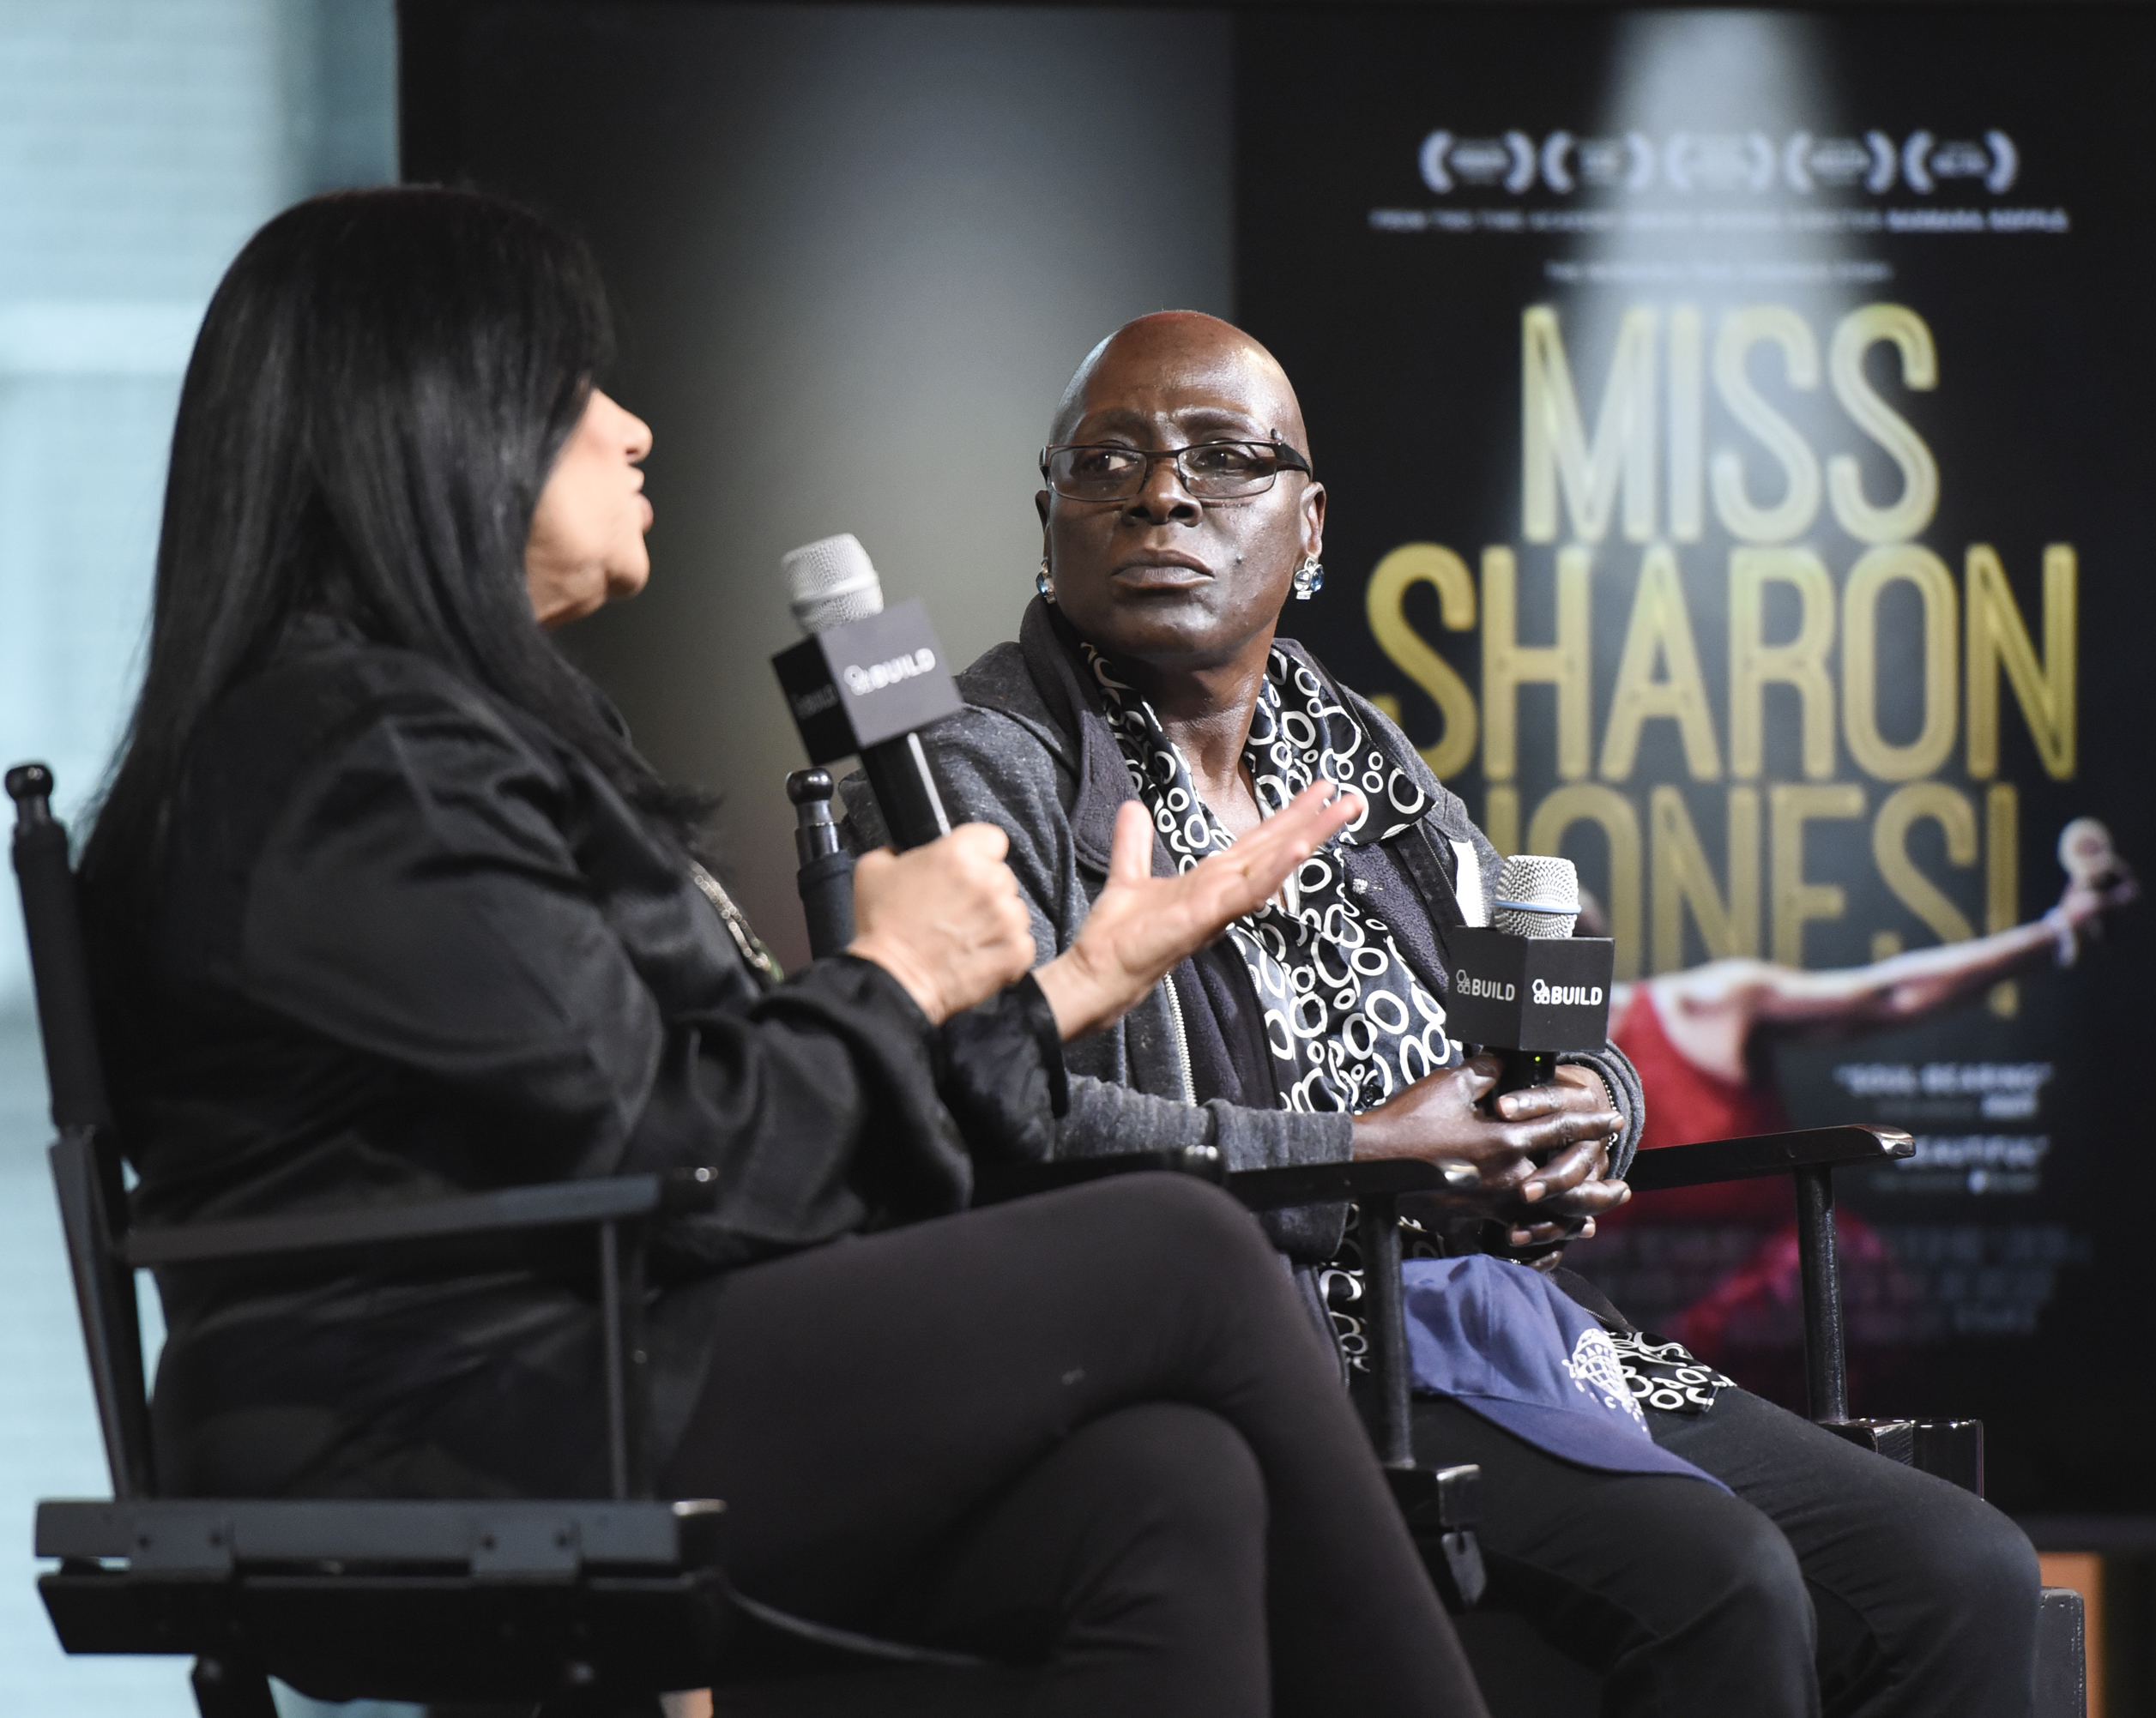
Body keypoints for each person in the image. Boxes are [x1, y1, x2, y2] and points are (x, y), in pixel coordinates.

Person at [74, 190, 1495, 1718]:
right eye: (575, 389)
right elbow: (677, 1147)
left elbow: (661, 1116)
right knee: (1185, 1247)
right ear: (435, 424)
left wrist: (1071, 985)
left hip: (559, 1364)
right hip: (443, 1413)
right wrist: (895, 979)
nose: (633, 429)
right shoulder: (364, 756)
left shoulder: (416, 734)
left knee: (1163, 1481)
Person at [853, 310, 2044, 1718]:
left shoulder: (1350, 747)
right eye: (1107, 460)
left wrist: (1591, 1105)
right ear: (1049, 512)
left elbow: (1540, 1008)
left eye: (1222, 457)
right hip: (1269, 1351)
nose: (1160, 493)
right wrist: (1360, 1150)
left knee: (1962, 1569)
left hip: (1495, 1315)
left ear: (1309, 527)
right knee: (1720, 1575)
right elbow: (985, 1120)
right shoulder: (976, 768)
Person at [1596, 841, 2136, 1368]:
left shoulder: (1701, 1010)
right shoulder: (1541, 1076)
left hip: (1792, 1318)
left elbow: (1889, 993)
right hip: (1625, 1343)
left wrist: (2060, 932)